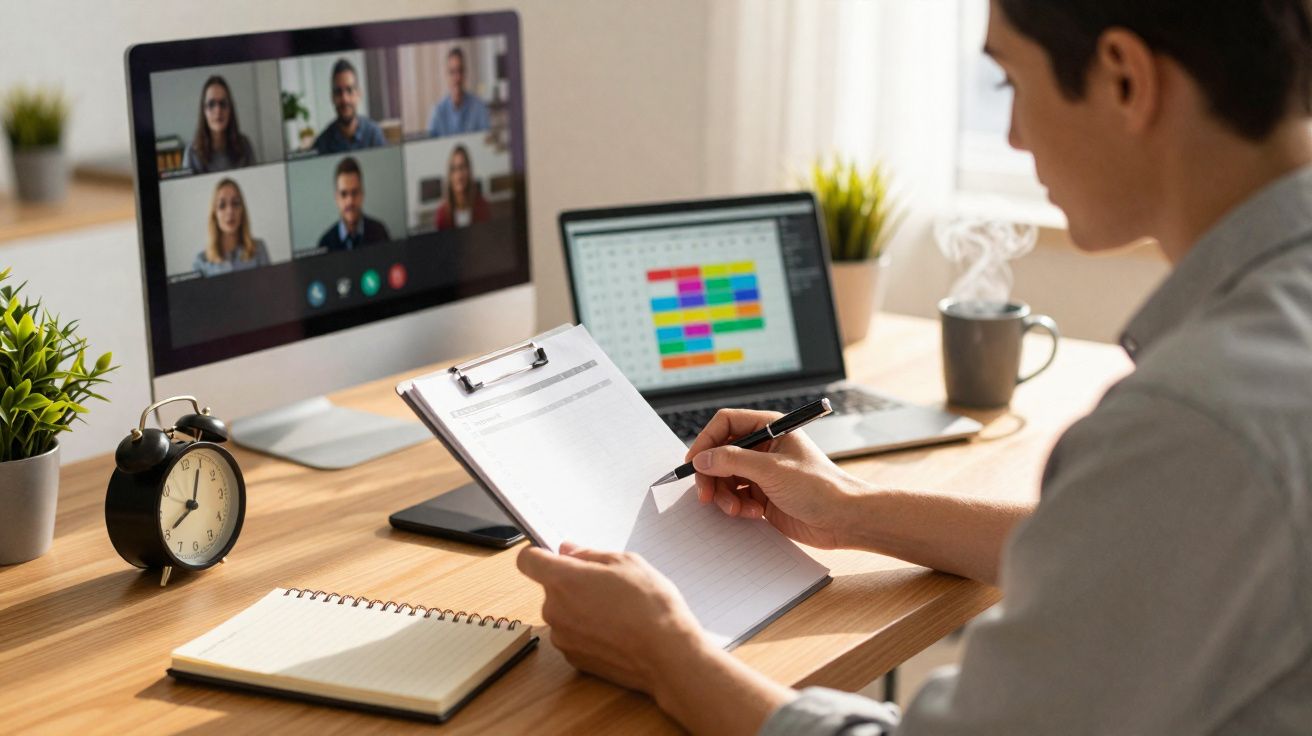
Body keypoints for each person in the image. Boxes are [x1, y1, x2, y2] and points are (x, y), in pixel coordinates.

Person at [517, 1, 1312, 734]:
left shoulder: (1197, 420)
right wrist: (850, 507)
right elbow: (1139, 552)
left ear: (1126, 79)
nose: (1013, 138)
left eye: (1010, 79)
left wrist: (666, 655)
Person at [192, 178, 270, 276]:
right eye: (222, 205)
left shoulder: (259, 249)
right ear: (214, 214)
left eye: (235, 203)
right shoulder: (201, 262)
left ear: (242, 211)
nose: (230, 211)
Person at [312, 58, 386, 154]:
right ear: (332, 97)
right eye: (338, 92)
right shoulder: (322, 143)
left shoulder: (374, 135)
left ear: (359, 94)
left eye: (349, 90)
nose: (344, 99)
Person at [183, 76, 255, 174]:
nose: (218, 110)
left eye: (223, 103)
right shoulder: (191, 152)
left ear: (230, 109)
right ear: (204, 111)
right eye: (211, 104)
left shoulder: (244, 145)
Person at [318, 156, 390, 251]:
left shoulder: (380, 233)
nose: (350, 201)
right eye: (344, 194)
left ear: (362, 194)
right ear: (336, 198)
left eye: (354, 192)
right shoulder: (324, 243)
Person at [426, 47, 491, 137]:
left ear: (465, 73)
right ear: (446, 75)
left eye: (460, 71)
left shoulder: (479, 108)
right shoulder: (437, 112)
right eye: (452, 72)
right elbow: (430, 147)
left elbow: (487, 141)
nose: (457, 78)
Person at [434, 144, 490, 230]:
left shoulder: (483, 207)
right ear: (449, 175)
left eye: (462, 167)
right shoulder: (442, 214)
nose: (459, 175)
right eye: (454, 169)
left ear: (469, 170)